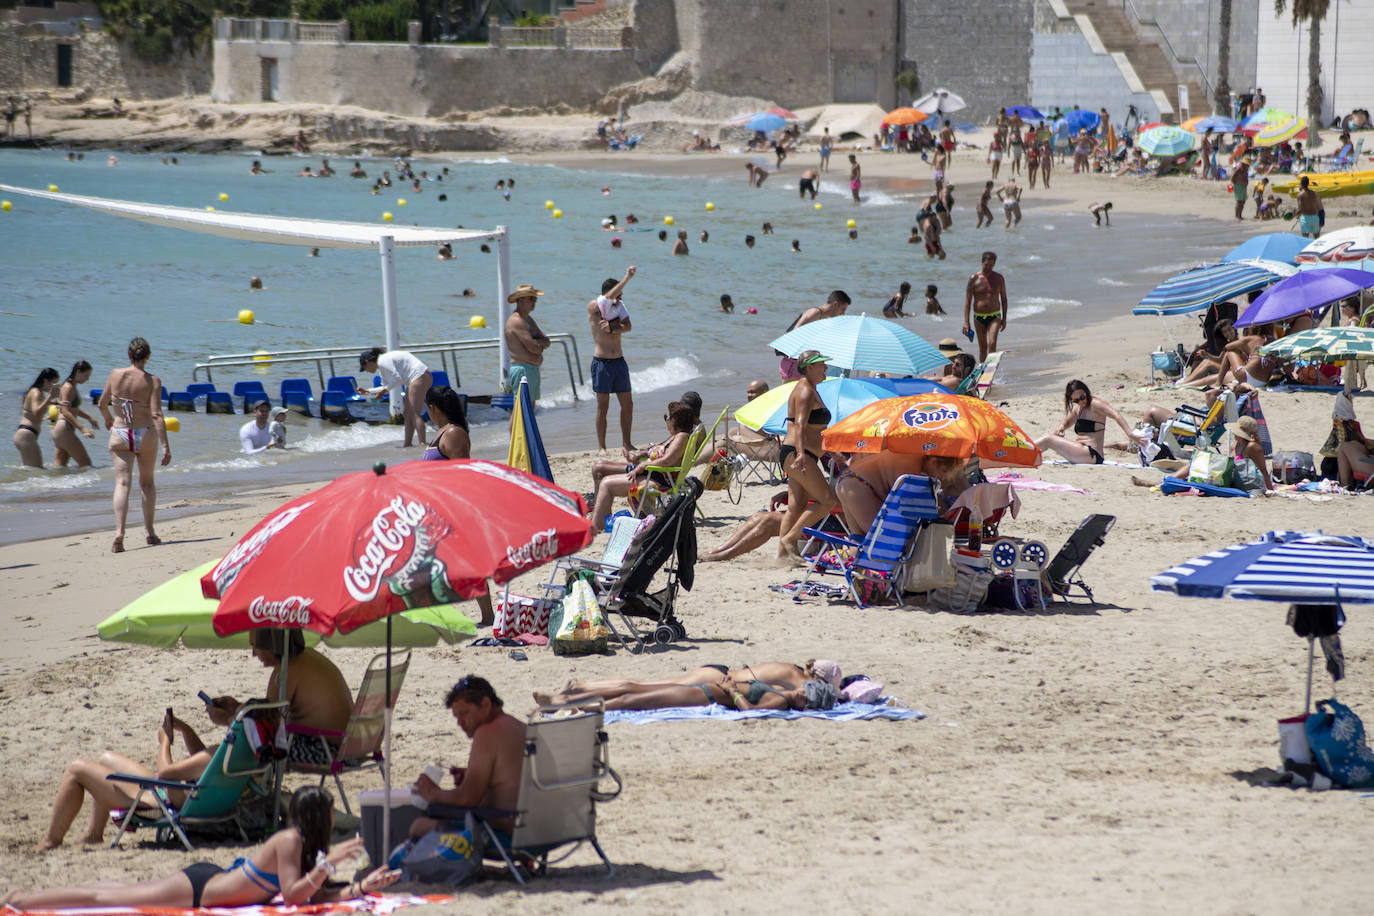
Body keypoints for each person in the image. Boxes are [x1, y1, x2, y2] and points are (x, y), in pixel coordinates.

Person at [22, 786, 397, 905]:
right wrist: (327, 864)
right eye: (331, 813)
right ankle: (20, 902)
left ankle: (29, 897)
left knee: (114, 891)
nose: (334, 820)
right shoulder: (289, 840)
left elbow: (315, 894)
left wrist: (363, 886)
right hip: (199, 888)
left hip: (214, 881)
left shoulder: (307, 843)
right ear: (318, 816)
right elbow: (295, 896)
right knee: (107, 899)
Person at [408, 677, 527, 839]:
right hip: (539, 830)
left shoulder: (487, 733)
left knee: (418, 826)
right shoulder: (520, 727)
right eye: (457, 717)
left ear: (485, 704)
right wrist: (474, 775)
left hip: (505, 831)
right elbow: (512, 777)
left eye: (464, 714)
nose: (460, 722)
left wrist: (433, 793)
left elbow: (467, 799)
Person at [98, 338, 170, 553]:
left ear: (129, 355)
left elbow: (102, 404)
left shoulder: (115, 374)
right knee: (147, 483)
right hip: (145, 433)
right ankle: (149, 532)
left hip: (120, 432)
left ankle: (119, 532)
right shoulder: (153, 381)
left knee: (122, 483)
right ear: (147, 357)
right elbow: (156, 414)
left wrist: (108, 419)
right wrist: (166, 445)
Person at [536, 663, 841, 712]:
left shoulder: (787, 685)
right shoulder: (791, 684)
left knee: (633, 692)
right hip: (711, 684)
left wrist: (733, 690)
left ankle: (574, 695)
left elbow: (751, 711)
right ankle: (570, 697)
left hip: (710, 686)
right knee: (634, 692)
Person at [590, 400, 693, 530]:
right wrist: (639, 457)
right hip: (652, 473)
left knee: (606, 483)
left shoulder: (681, 437)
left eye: (667, 417)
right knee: (603, 475)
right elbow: (663, 457)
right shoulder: (676, 437)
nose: (666, 421)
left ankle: (595, 525)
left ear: (674, 420)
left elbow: (667, 461)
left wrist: (642, 466)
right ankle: (598, 519)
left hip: (657, 479)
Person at [776, 351, 836, 561]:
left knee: (796, 506)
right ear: (809, 367)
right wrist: (801, 453)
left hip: (797, 453)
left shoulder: (811, 389)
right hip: (798, 453)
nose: (826, 368)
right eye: (822, 365)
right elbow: (800, 424)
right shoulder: (805, 391)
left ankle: (782, 558)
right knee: (828, 501)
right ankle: (791, 538)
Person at [836, 452, 969, 532]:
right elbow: (909, 504)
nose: (941, 476)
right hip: (858, 485)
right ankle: (871, 577)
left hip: (851, 481)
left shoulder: (911, 455)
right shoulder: (911, 463)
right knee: (877, 537)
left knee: (860, 541)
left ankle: (861, 577)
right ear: (934, 461)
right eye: (943, 471)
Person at [1035, 380, 1143, 464]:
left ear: (1086, 391)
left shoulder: (1095, 404)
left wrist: (1129, 434)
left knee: (1048, 439)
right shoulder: (1078, 408)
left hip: (1092, 454)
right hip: (1080, 450)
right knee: (1048, 439)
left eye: (1082, 397)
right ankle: (1025, 456)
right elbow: (1067, 422)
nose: (1081, 402)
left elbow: (1116, 415)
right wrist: (1061, 427)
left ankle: (1021, 450)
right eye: (1076, 400)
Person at [589, 266, 636, 453]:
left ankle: (627, 442)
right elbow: (608, 299)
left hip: (619, 361)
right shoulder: (594, 306)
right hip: (602, 362)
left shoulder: (618, 307)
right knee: (603, 406)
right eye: (618, 293)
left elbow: (628, 326)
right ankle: (602, 446)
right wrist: (627, 277)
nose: (620, 298)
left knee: (628, 404)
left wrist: (613, 327)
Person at [357, 347, 433, 448]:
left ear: (367, 362)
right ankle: (407, 444)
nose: (366, 371)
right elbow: (386, 386)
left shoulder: (383, 360)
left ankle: (422, 443)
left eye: (364, 368)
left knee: (414, 413)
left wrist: (383, 392)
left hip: (420, 375)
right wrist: (367, 391)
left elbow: (397, 379)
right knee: (407, 413)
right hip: (415, 378)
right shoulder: (382, 368)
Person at [777, 290, 850, 380]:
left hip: (803, 362)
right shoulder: (815, 312)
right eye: (843, 310)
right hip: (792, 362)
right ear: (835, 304)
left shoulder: (826, 319)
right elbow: (795, 332)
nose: (843, 313)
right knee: (788, 392)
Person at [504, 283, 551, 400]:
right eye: (531, 298)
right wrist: (540, 345)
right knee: (520, 410)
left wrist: (538, 343)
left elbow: (547, 341)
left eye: (535, 298)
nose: (534, 302)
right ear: (520, 300)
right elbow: (533, 348)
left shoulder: (528, 319)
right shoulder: (516, 320)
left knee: (529, 411)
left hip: (532, 369)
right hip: (522, 369)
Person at [963, 251, 1008, 362]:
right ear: (982, 262)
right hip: (978, 317)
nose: (988, 268)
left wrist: (1005, 318)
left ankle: (990, 370)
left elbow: (1004, 299)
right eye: (986, 265)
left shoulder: (999, 278)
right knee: (982, 348)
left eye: (991, 265)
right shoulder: (973, 279)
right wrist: (966, 322)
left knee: (992, 343)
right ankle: (982, 373)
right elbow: (968, 301)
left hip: (995, 316)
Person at [51, 360, 97, 468]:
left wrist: (89, 417)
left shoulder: (72, 386)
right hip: (64, 428)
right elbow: (66, 411)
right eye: (86, 375)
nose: (87, 379)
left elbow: (74, 408)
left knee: (61, 467)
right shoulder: (68, 387)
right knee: (86, 465)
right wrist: (82, 428)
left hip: (62, 429)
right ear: (78, 372)